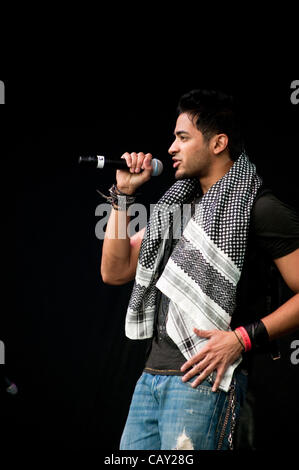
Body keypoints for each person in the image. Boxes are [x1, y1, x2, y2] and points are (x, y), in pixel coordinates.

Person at [100, 89, 299, 450]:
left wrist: (242, 338)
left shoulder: (257, 207)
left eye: (182, 137)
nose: (171, 148)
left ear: (218, 142)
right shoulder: (173, 208)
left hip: (206, 379)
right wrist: (122, 195)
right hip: (151, 378)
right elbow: (115, 271)